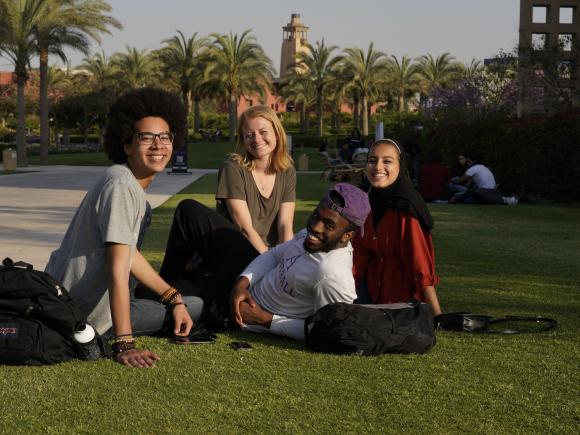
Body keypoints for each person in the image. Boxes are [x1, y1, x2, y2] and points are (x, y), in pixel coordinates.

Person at [45, 88, 202, 368]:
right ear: (127, 144)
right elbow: (118, 267)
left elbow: (129, 254)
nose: (157, 144)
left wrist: (173, 297)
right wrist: (125, 343)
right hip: (85, 314)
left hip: (71, 302)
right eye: (146, 137)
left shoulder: (126, 184)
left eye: (164, 136)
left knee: (184, 298)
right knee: (199, 305)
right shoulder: (120, 185)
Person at [158, 183, 370, 341]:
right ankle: (172, 280)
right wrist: (243, 282)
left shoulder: (332, 274)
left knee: (147, 294)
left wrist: (265, 319)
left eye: (329, 225)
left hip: (235, 309)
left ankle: (173, 285)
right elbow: (275, 255)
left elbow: (323, 330)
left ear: (347, 236)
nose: (316, 226)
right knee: (189, 210)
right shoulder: (311, 235)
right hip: (244, 279)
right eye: (316, 215)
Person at [352, 139, 442, 316]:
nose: (378, 167)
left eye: (387, 161)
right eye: (372, 160)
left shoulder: (405, 206)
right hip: (368, 297)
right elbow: (357, 257)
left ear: (400, 166)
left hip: (401, 302)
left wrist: (437, 315)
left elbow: (420, 264)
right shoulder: (365, 202)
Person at [216, 105, 296, 253]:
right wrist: (270, 264)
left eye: (263, 132)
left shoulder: (287, 171)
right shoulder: (232, 169)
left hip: (272, 253)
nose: (256, 139)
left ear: (277, 134)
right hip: (238, 250)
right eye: (249, 135)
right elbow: (244, 228)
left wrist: (286, 261)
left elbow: (285, 226)